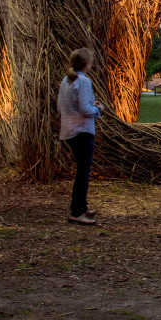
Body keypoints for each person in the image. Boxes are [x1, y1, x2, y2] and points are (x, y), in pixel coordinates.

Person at [58, 48, 104, 225]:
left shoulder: (66, 80)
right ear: (86, 63)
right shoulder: (83, 81)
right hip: (82, 131)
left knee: (81, 170)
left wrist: (90, 105)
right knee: (83, 172)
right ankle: (77, 212)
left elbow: (61, 106)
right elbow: (85, 109)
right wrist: (98, 109)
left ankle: (81, 207)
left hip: (69, 130)